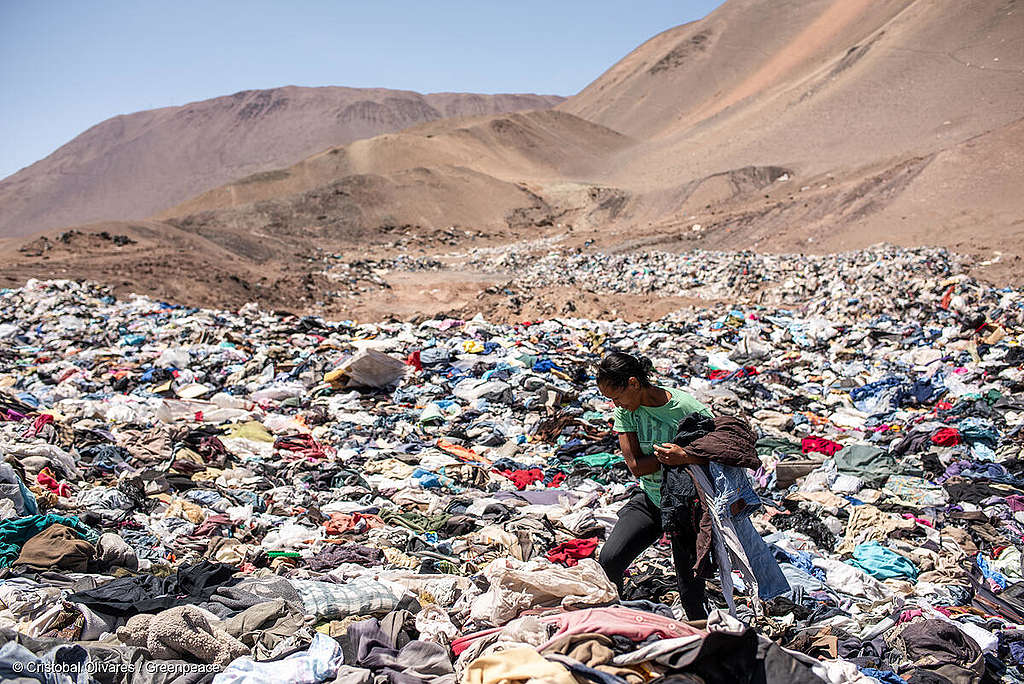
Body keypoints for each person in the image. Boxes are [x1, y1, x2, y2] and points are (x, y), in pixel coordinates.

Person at [595, 351, 712, 619]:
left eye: (616, 396)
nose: (616, 404)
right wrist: (671, 459)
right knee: (610, 560)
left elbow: (718, 451)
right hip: (652, 498)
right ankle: (617, 622)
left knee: (690, 590)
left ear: (634, 383)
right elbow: (635, 465)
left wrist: (685, 456)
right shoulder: (625, 411)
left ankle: (701, 642)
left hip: (686, 505)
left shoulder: (685, 408)